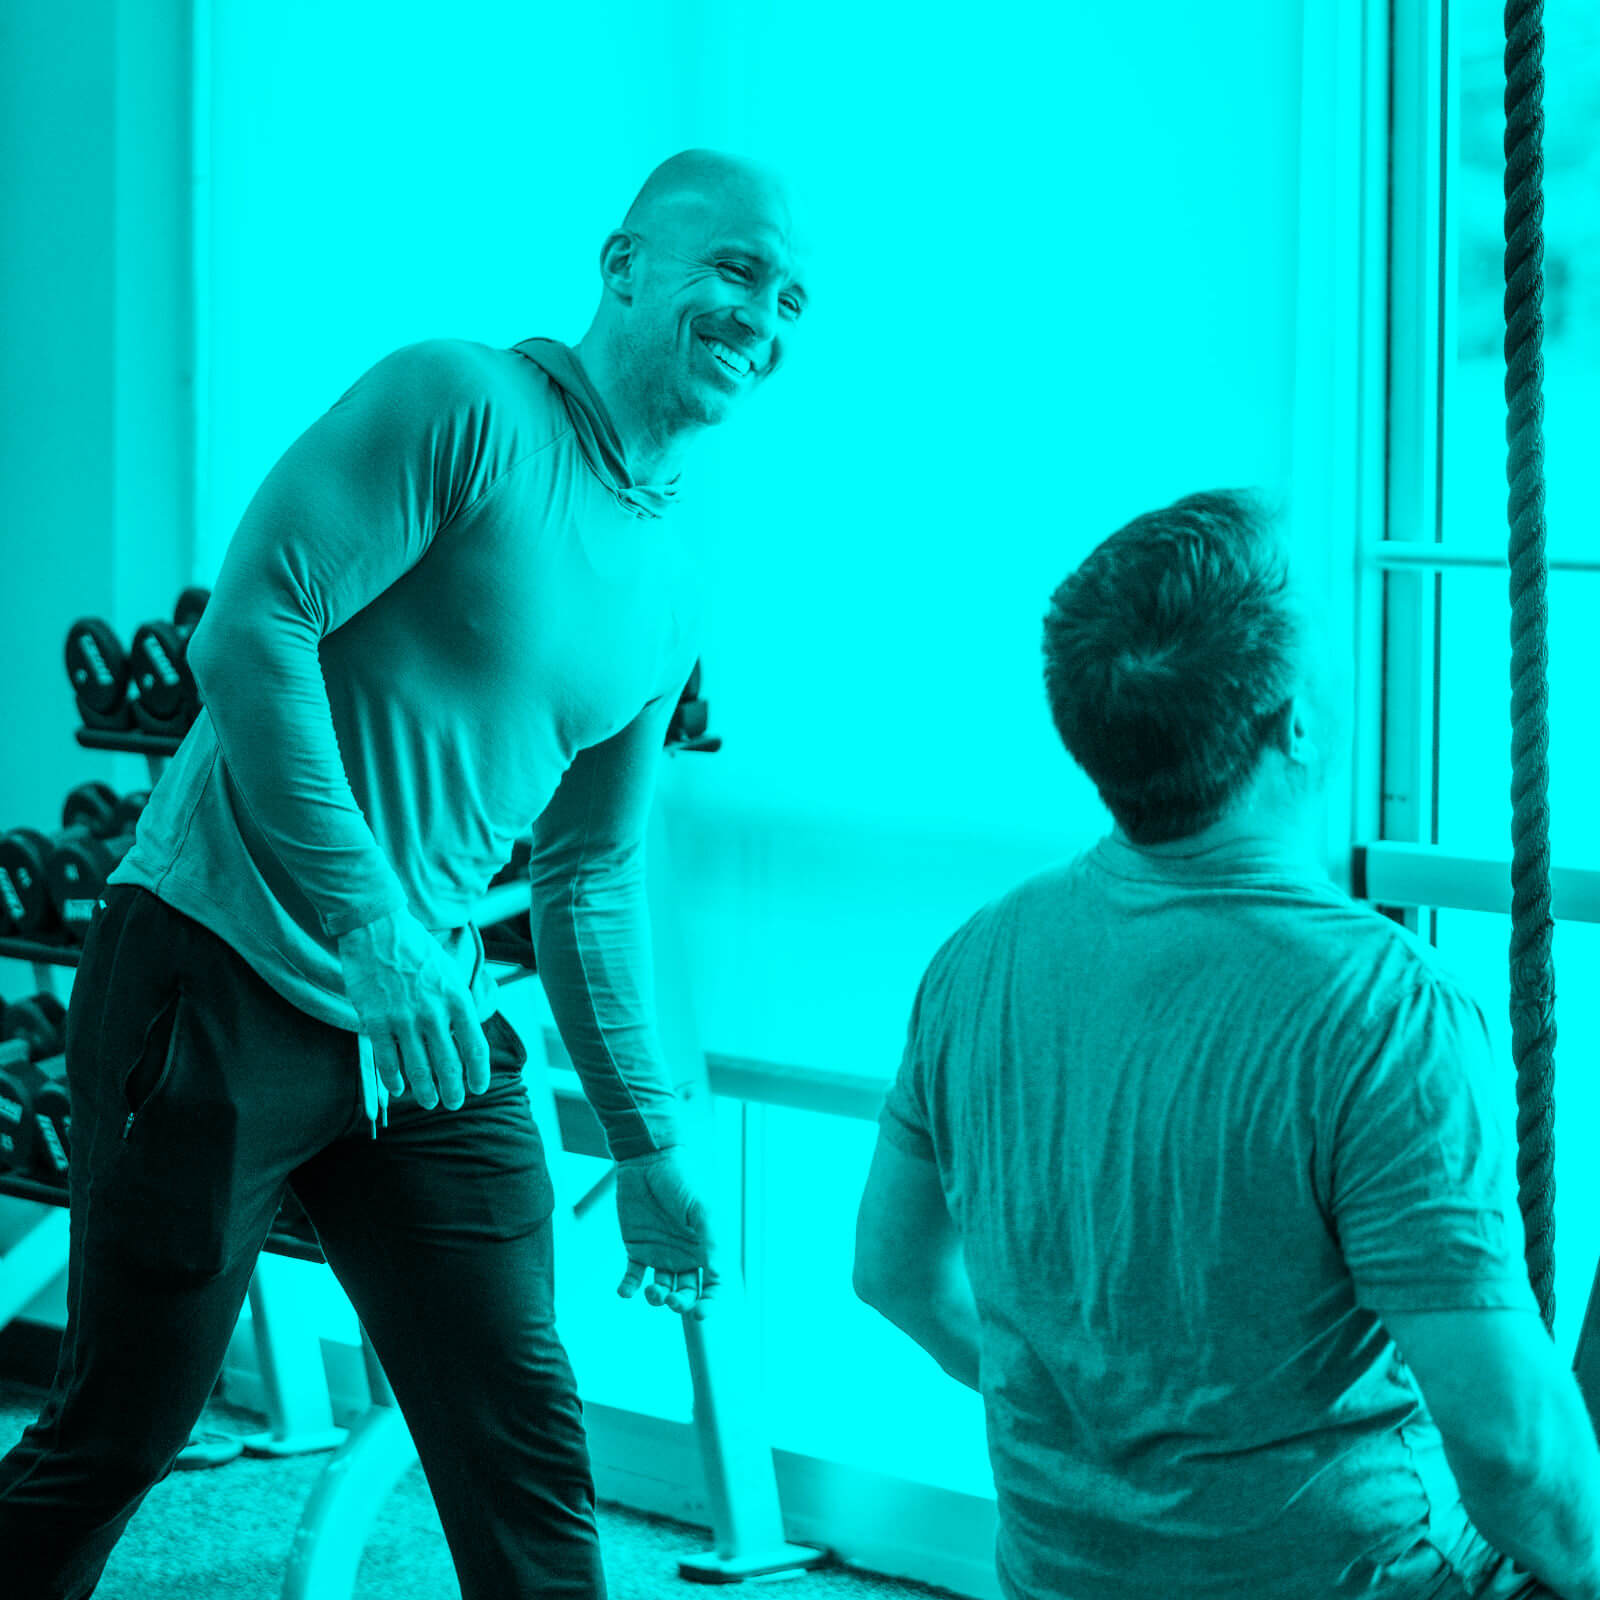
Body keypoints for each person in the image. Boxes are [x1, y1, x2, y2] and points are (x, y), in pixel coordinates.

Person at [0, 147, 803, 1600]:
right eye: (737, 268)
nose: (764, 316)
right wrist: (370, 930)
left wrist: (648, 1145)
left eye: (792, 298)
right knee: (121, 1428)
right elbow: (249, 630)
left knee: (522, 1442)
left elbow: (588, 872)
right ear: (625, 263)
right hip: (216, 962)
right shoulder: (463, 402)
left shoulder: (672, 584)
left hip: (418, 1029)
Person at [849, 491, 1600, 1599]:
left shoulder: (977, 959)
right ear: (1295, 725)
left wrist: (1110, 1449)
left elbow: (892, 1274)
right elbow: (1512, 1453)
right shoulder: (1385, 1011)